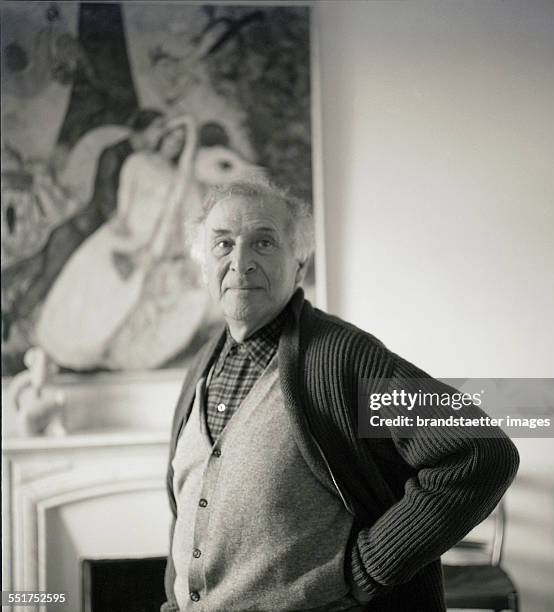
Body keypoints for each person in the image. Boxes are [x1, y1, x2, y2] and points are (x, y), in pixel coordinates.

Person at [161, 179, 520, 612]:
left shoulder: (342, 360)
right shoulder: (202, 366)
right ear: (204, 266)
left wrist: (369, 568)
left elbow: (479, 451)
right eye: (223, 245)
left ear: (300, 262)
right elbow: (187, 511)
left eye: (263, 242)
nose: (241, 262)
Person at [35, 115, 200, 370]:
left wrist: (151, 250)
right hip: (124, 236)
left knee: (125, 302)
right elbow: (124, 207)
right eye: (171, 137)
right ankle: (63, 352)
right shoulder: (137, 162)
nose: (174, 145)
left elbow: (175, 217)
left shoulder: (178, 178)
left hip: (152, 246)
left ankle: (101, 355)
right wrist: (126, 240)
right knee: (92, 291)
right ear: (162, 137)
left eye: (181, 142)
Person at [2, 109, 165, 344]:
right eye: (158, 128)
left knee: (40, 271)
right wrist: (123, 223)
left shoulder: (140, 156)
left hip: (91, 232)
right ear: (144, 128)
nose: (160, 135)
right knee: (47, 277)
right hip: (79, 232)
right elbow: (105, 197)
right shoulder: (115, 153)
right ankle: (11, 320)